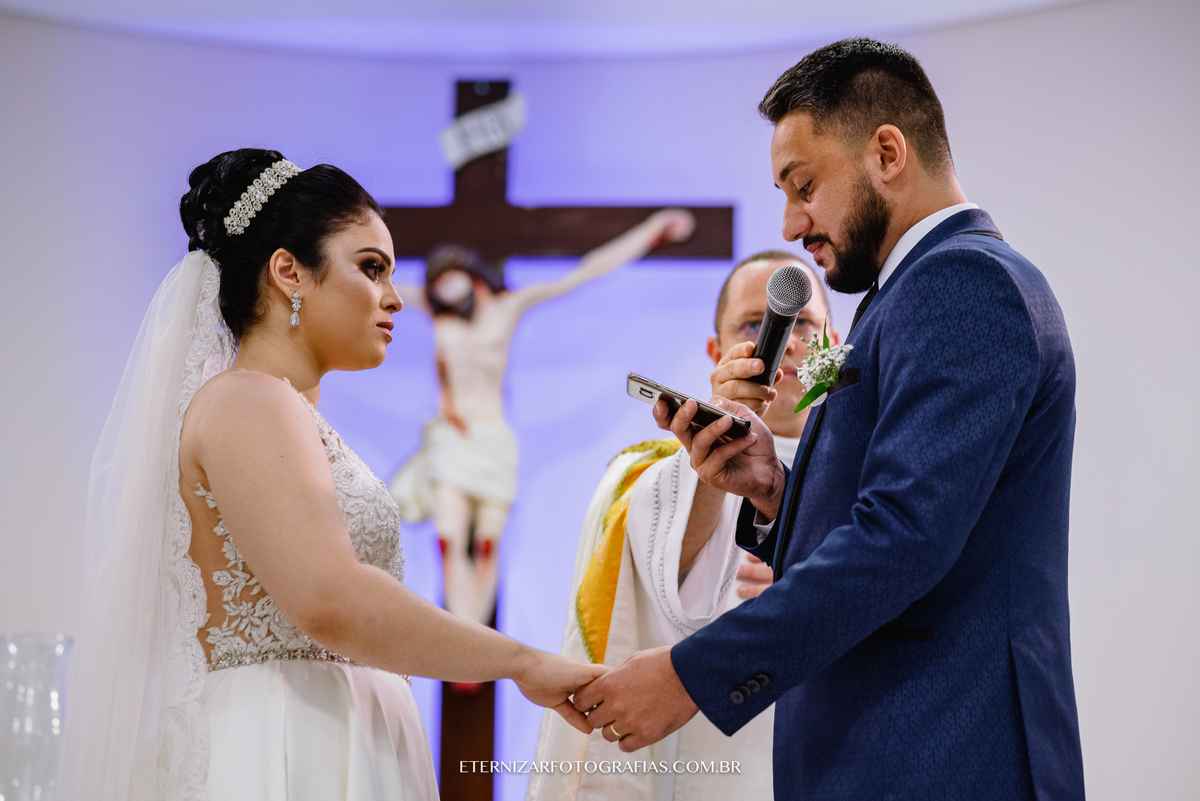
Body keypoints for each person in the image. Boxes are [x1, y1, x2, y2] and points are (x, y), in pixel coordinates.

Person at [573, 38, 1086, 801]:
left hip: (942, 752)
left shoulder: (961, 282)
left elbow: (903, 538)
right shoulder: (904, 295)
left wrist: (690, 673)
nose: (789, 222)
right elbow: (900, 520)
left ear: (886, 152)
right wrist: (774, 490)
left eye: (803, 185)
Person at [59, 148, 605, 801]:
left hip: (329, 725)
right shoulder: (249, 400)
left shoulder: (279, 408)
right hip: (285, 742)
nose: (395, 298)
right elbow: (330, 598)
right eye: (371, 268)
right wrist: (522, 661)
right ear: (289, 271)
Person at [528, 251, 839, 801]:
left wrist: (813, 586)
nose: (784, 339)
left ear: (831, 346)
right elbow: (665, 588)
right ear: (716, 352)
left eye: (804, 323)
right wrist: (715, 451)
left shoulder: (875, 466)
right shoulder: (663, 475)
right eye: (755, 323)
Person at [390, 210, 695, 627]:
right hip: (450, 437)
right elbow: (371, 281)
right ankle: (461, 630)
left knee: (486, 544)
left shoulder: (507, 307)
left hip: (492, 438)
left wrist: (650, 233)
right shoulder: (435, 309)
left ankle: (476, 634)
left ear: (471, 276)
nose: (445, 292)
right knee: (448, 539)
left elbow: (582, 274)